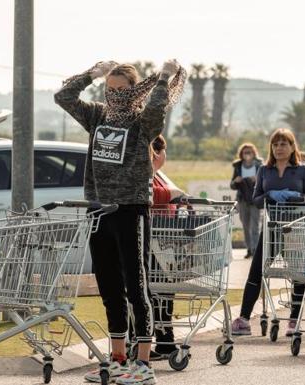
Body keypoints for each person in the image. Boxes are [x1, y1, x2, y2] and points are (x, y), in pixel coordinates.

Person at [55, 60, 186, 385]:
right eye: (109, 89)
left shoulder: (143, 122)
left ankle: (143, 364)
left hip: (131, 209)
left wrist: (164, 78)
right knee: (109, 287)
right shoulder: (97, 116)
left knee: (135, 286)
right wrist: (91, 74)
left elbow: (156, 112)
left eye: (121, 89)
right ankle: (117, 359)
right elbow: (63, 97)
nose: (114, 95)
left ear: (134, 89)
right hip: (99, 210)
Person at [231, 128, 305, 337]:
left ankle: (293, 319)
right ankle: (243, 318)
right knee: (257, 270)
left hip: (296, 229)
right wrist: (270, 194)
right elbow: (256, 199)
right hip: (271, 229)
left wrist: (296, 196)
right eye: (275, 144)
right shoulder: (264, 171)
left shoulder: (303, 171)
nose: (279, 148)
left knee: (297, 272)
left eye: (284, 144)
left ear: (292, 146)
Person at [149, 135, 185, 361]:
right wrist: (175, 194)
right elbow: (151, 194)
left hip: (161, 241)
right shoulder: (145, 172)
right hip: (150, 240)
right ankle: (155, 340)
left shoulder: (158, 174)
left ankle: (165, 340)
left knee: (163, 291)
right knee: (156, 291)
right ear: (158, 153)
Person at [230, 143, 263, 259]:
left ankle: (256, 250)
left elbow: (264, 183)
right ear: (241, 154)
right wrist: (236, 181)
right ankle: (249, 249)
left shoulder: (259, 165)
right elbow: (232, 185)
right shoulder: (238, 166)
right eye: (245, 152)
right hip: (242, 199)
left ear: (254, 153)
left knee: (255, 226)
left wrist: (257, 180)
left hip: (255, 199)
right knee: (245, 226)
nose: (247, 154)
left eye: (250, 152)